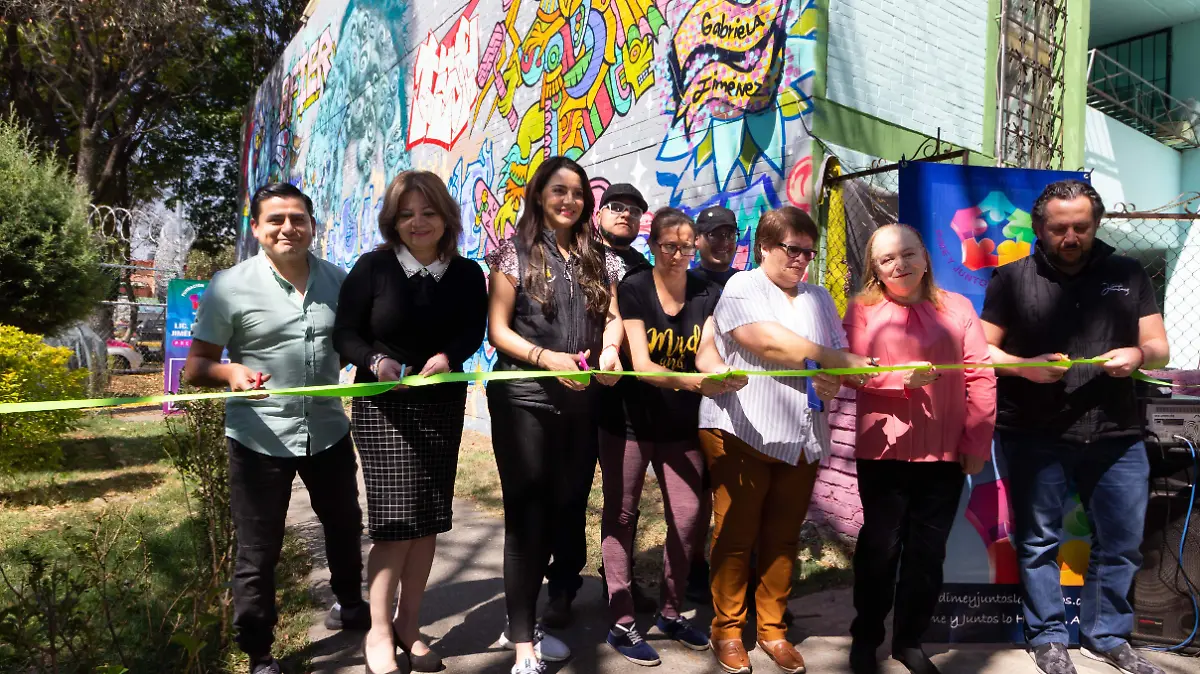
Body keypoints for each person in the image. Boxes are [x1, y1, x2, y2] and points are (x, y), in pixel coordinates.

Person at [981, 180, 1169, 674]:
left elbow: (1158, 346)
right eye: (1059, 228)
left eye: (1081, 227)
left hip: (1117, 431)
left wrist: (1138, 354)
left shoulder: (1128, 274)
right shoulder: (1010, 278)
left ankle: (1106, 635)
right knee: (1038, 541)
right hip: (1033, 432)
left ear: (1096, 225)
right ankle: (1047, 637)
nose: (1071, 236)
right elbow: (979, 351)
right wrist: (1022, 366)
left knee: (1121, 540)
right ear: (1040, 228)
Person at [184, 183, 367, 674]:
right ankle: (259, 652)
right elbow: (195, 368)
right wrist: (230, 373)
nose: (288, 227)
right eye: (276, 220)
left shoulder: (340, 281)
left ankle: (351, 604)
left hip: (327, 431)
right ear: (257, 228)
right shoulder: (230, 285)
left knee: (345, 527)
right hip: (257, 438)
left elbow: (359, 341)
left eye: (298, 218)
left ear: (312, 225)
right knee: (259, 550)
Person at [699, 206, 875, 674]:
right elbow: (765, 341)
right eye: (791, 249)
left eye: (808, 252)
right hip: (741, 428)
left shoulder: (819, 298)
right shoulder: (742, 286)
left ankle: (773, 630)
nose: (801, 260)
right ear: (764, 247)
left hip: (802, 437)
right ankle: (727, 630)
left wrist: (833, 379)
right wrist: (831, 357)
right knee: (736, 535)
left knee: (782, 538)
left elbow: (835, 368)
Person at [332, 171, 488, 674]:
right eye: (406, 214)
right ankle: (378, 632)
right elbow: (347, 335)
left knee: (427, 523)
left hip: (441, 402)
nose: (418, 222)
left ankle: (409, 625)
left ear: (446, 218)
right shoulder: (373, 267)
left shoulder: (466, 274)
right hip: (382, 404)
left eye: (428, 212)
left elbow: (471, 332)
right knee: (396, 523)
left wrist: (447, 357)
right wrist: (376, 363)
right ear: (392, 221)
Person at [484, 156, 624, 674]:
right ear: (539, 196)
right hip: (525, 399)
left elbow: (613, 320)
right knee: (528, 517)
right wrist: (546, 358)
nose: (569, 201)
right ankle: (523, 644)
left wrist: (610, 351)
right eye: (558, 191)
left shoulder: (600, 258)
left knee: (566, 509)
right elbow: (498, 330)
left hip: (581, 404)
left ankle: (524, 617)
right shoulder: (512, 252)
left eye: (578, 193)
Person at [842, 224, 996, 674]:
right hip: (883, 453)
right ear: (875, 269)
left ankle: (909, 641)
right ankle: (865, 638)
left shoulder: (959, 308)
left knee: (928, 555)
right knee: (879, 551)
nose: (899, 265)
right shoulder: (862, 310)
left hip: (945, 454)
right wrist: (897, 380)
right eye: (887, 259)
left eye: (908, 254)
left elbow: (980, 376)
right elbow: (853, 371)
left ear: (926, 258)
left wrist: (976, 440)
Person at [600, 208, 747, 665]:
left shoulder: (705, 291)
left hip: (680, 425)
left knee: (688, 518)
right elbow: (641, 366)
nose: (680, 254)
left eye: (687, 246)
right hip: (627, 420)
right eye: (670, 246)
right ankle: (621, 620)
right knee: (622, 515)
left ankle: (670, 611)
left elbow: (704, 354)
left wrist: (722, 374)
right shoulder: (635, 287)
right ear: (654, 245)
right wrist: (693, 383)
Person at [585, 182, 660, 626]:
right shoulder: (581, 254)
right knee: (573, 494)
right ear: (600, 212)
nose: (625, 215)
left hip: (623, 397)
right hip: (576, 392)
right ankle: (562, 589)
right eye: (616, 207)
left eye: (634, 210)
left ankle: (619, 583)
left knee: (622, 500)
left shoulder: (641, 266)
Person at [690, 205, 740, 287]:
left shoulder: (747, 282)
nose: (724, 242)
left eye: (730, 235)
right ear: (696, 239)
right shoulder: (684, 285)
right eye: (713, 235)